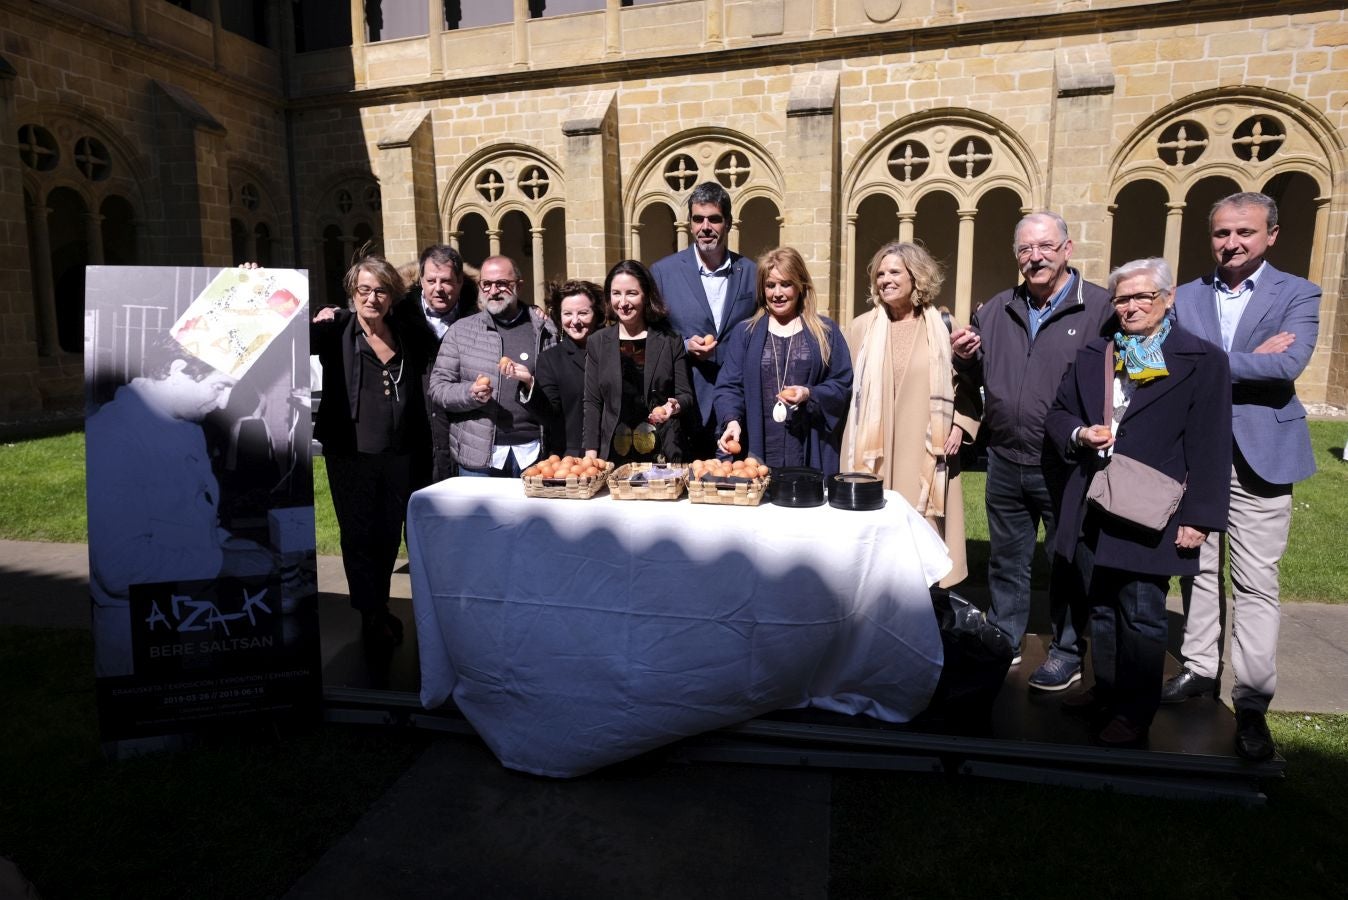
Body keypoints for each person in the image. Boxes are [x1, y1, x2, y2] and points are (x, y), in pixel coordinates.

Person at [1046, 257, 1231, 746]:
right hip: (1094, 500)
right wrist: (1080, 433)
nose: (1130, 307)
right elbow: (1059, 413)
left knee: (1142, 612)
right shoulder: (1097, 354)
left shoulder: (1202, 360)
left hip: (1152, 508)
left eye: (1142, 297)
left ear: (1167, 299)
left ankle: (1135, 711)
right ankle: (1106, 690)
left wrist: (1200, 518)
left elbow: (1211, 444)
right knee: (1100, 605)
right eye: (1122, 299)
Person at [1163, 191, 1321, 761]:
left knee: (1256, 582)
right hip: (1196, 456)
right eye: (1221, 233)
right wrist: (1236, 361)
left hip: (1262, 457)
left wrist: (1206, 360)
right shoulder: (1184, 295)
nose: (1231, 243)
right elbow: (1157, 357)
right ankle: (1201, 669)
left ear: (1271, 235)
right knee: (1197, 570)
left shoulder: (1298, 293)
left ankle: (1252, 702)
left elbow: (1287, 365)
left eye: (1245, 233)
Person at [951, 211, 1114, 688]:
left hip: (1067, 462)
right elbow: (980, 380)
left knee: (1066, 560)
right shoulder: (997, 308)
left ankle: (1067, 649)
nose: (1035, 257)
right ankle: (1006, 635)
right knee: (1007, 557)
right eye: (1025, 249)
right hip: (1006, 455)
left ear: (1067, 249)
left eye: (1045, 246)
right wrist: (967, 358)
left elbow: (1126, 380)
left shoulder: (1101, 308)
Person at [87, 338, 276, 678]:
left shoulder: (185, 426)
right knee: (157, 730)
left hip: (190, 612)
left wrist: (224, 540)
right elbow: (119, 568)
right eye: (220, 386)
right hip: (139, 631)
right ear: (177, 370)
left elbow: (184, 513)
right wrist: (224, 562)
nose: (224, 403)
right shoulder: (112, 436)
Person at [840, 242, 978, 588]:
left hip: (926, 451)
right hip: (875, 454)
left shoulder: (944, 325)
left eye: (894, 272)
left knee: (924, 549)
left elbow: (970, 384)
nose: (885, 280)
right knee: (873, 552)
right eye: (880, 274)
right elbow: (844, 390)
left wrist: (960, 425)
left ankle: (928, 615)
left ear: (916, 276)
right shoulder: (861, 328)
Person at [311, 255, 430, 646]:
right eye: (364, 289)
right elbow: (284, 335)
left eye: (380, 290)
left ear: (392, 296)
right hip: (351, 454)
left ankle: (379, 605)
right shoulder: (336, 329)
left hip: (399, 454)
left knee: (387, 535)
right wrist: (256, 289)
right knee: (359, 536)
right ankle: (370, 613)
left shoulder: (406, 331)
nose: (372, 298)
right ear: (352, 293)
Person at [713, 247, 853, 478]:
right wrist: (732, 421)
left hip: (809, 447)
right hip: (759, 449)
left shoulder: (826, 331)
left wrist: (809, 394)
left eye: (786, 284)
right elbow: (729, 385)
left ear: (800, 286)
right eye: (770, 285)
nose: (777, 293)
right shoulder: (745, 332)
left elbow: (842, 383)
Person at [651, 181, 758, 455]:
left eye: (714, 219)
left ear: (729, 223)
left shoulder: (752, 273)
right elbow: (652, 336)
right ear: (689, 223)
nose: (705, 227)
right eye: (698, 219)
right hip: (686, 403)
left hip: (738, 403)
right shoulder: (663, 273)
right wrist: (684, 346)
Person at [427, 255, 558, 477]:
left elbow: (556, 393)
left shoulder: (544, 330)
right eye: (486, 284)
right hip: (478, 459)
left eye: (502, 284)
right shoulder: (461, 331)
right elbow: (437, 388)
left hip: (533, 456)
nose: (493, 290)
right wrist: (470, 393)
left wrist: (530, 384)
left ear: (519, 285)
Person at [583, 259, 694, 463]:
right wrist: (590, 454)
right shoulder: (597, 342)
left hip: (663, 452)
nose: (623, 302)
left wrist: (673, 407)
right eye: (616, 293)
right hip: (615, 455)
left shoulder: (670, 341)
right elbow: (592, 402)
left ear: (646, 295)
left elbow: (685, 394)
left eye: (631, 293)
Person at [395, 244, 476, 482]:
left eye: (447, 281)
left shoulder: (478, 321)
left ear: (461, 281)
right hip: (413, 437)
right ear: (420, 280)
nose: (438, 289)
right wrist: (327, 311)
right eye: (431, 281)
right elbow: (361, 317)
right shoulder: (397, 316)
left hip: (465, 440)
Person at [535, 279, 607, 458]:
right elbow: (549, 414)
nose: (575, 321)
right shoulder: (550, 359)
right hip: (572, 458)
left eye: (583, 313)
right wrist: (529, 385)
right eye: (567, 313)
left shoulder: (616, 352)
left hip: (616, 452)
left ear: (597, 314)